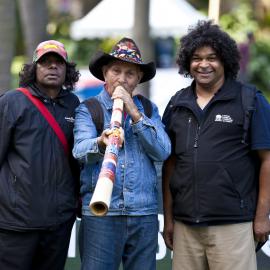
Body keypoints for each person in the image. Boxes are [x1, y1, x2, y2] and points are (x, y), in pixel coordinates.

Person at [162, 20, 270, 270]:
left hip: (233, 224)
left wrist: (262, 216)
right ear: (188, 62)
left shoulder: (250, 100)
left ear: (225, 61)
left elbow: (267, 160)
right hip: (185, 225)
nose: (204, 64)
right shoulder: (178, 103)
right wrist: (168, 219)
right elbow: (170, 165)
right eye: (197, 58)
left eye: (212, 57)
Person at [72, 37, 171, 270]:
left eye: (130, 73)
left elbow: (163, 151)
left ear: (138, 79)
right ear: (105, 73)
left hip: (143, 213)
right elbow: (79, 151)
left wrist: (134, 112)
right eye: (116, 71)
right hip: (101, 213)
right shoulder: (89, 108)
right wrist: (101, 142)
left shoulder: (147, 109)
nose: (122, 79)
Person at [0, 40, 80, 270]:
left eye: (58, 63)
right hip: (16, 222)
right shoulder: (12, 101)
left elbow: (77, 160)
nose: (52, 67)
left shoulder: (73, 104)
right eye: (45, 62)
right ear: (34, 68)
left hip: (58, 222)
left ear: (67, 70)